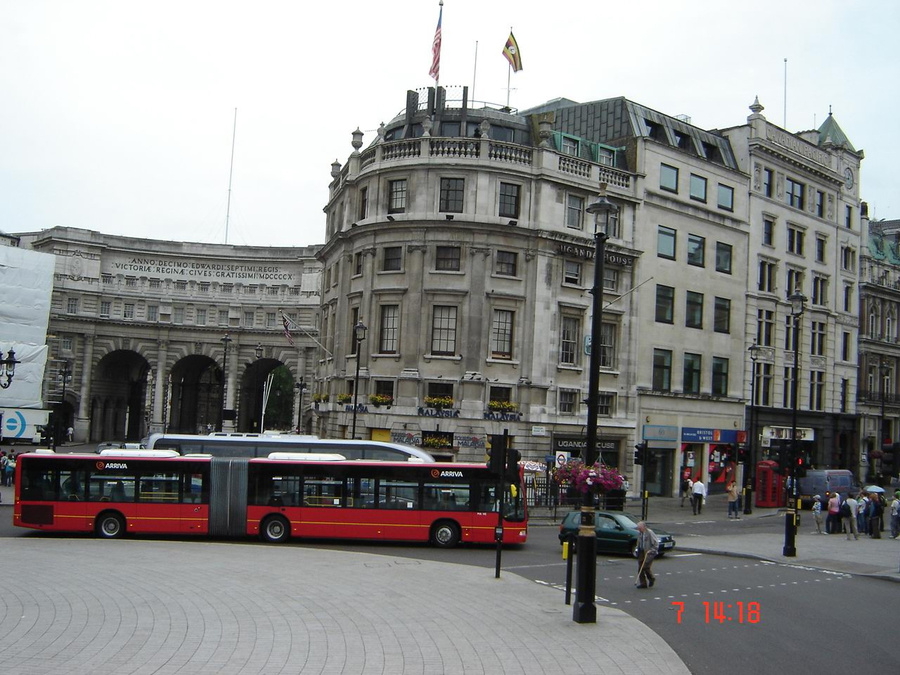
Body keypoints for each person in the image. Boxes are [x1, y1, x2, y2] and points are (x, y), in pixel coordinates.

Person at [635, 521, 659, 589]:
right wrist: (637, 549)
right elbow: (638, 543)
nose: (639, 529)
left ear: (644, 527)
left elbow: (656, 543)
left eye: (640, 528)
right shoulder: (640, 533)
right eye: (638, 528)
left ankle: (651, 578)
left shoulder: (649, 532)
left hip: (649, 552)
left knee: (645, 567)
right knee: (640, 568)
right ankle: (643, 583)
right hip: (641, 552)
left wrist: (652, 550)